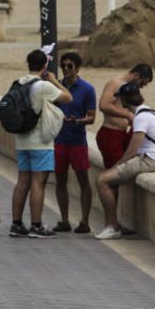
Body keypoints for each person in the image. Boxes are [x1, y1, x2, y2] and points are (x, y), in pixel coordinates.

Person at [8, 50, 72, 239]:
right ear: (45, 65)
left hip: (22, 139)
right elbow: (68, 97)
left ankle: (16, 223)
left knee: (22, 182)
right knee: (38, 183)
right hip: (40, 142)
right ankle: (36, 225)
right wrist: (53, 79)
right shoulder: (43, 85)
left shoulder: (18, 82)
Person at [94, 82, 155, 240]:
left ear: (125, 100)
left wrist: (116, 166)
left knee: (102, 181)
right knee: (109, 178)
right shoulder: (148, 111)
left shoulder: (141, 118)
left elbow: (132, 151)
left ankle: (112, 227)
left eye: (121, 99)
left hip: (149, 160)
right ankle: (112, 225)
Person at [52, 52, 97, 234]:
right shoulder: (56, 88)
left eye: (69, 66)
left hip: (78, 140)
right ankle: (64, 220)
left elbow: (92, 118)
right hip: (59, 140)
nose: (65, 69)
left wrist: (77, 121)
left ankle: (85, 221)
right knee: (60, 180)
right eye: (63, 65)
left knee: (83, 180)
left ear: (77, 68)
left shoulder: (87, 89)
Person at [96, 64, 154, 170]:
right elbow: (103, 105)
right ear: (136, 76)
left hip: (123, 134)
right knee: (114, 172)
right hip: (111, 134)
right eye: (142, 83)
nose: (141, 87)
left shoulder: (130, 89)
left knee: (124, 171)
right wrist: (128, 115)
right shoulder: (115, 83)